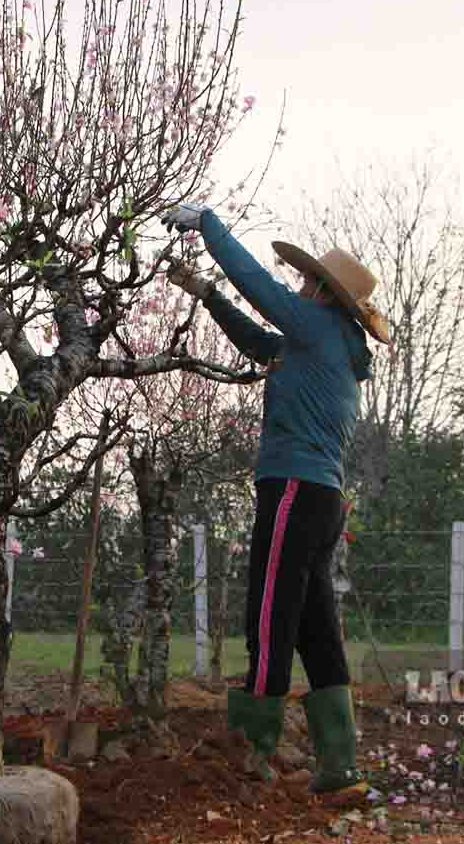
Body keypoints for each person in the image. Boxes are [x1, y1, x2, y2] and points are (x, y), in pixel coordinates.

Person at [159, 200, 391, 794]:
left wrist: (209, 225)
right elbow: (262, 343)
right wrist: (208, 296)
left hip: (292, 490)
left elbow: (260, 288)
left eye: (307, 280)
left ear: (323, 293)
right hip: (322, 500)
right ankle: (340, 766)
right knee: (314, 626)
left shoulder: (316, 327)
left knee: (269, 617)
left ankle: (252, 757)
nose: (299, 283)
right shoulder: (325, 347)